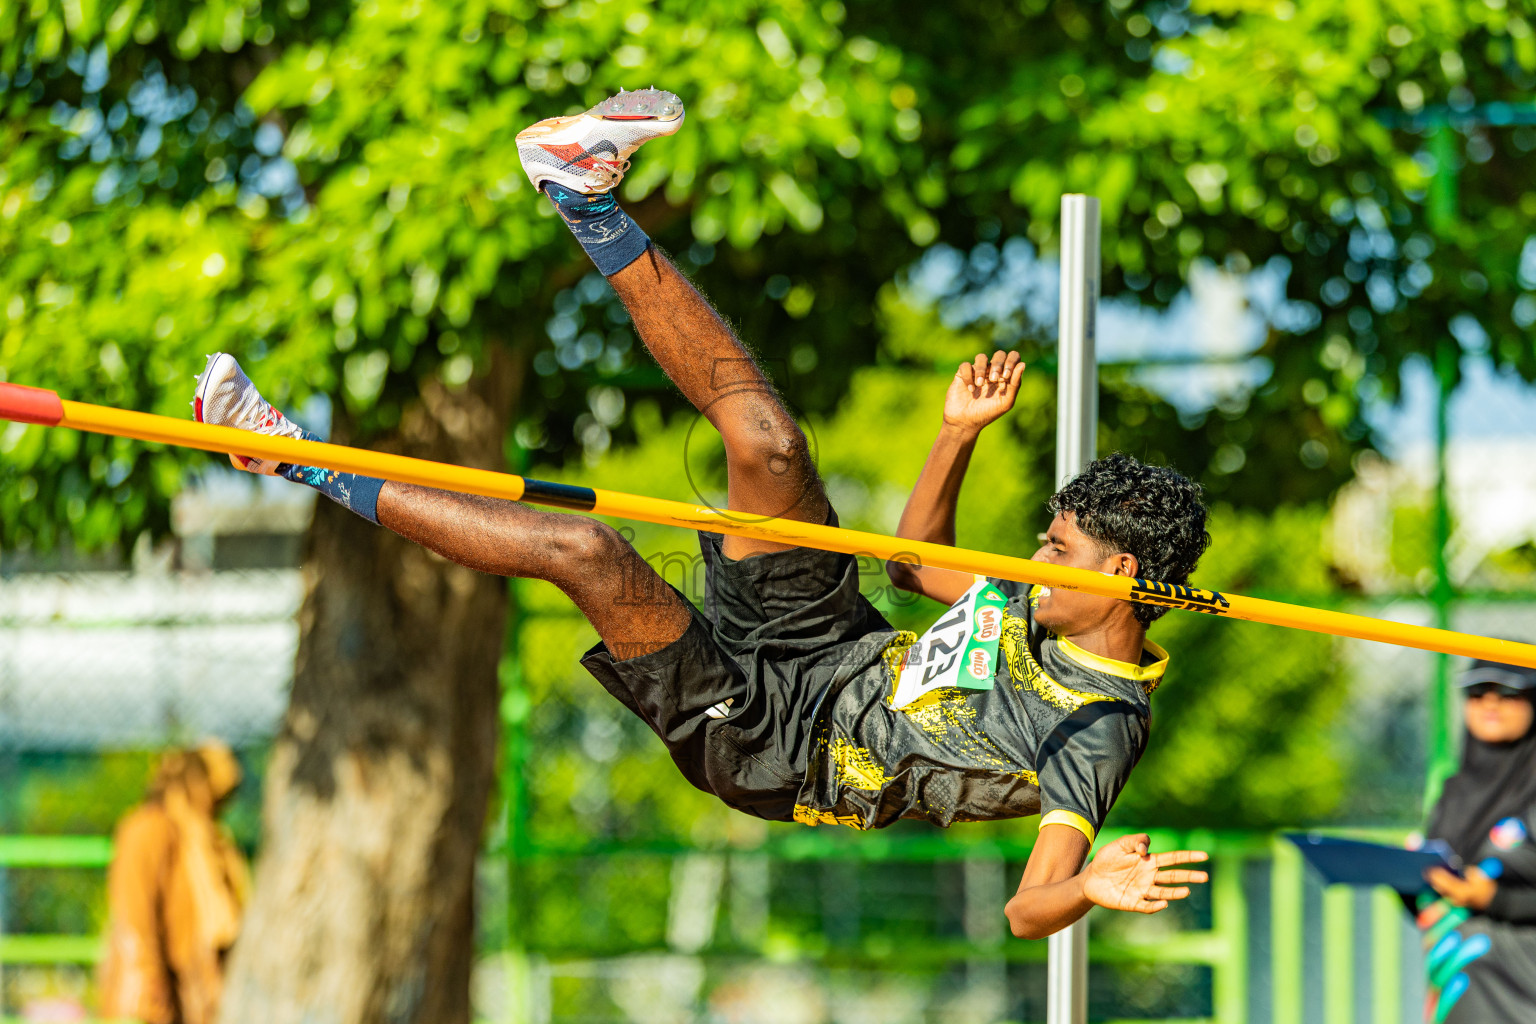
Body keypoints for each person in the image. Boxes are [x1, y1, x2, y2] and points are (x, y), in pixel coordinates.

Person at [190, 87, 1211, 939]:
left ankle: (286, 454)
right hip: (827, 639)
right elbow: (908, 567)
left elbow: (1029, 907)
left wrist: (1088, 887)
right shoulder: (1035, 603)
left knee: (585, 547)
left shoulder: (1100, 726)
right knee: (769, 443)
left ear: (1116, 576)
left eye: (1055, 545)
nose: (1034, 558)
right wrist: (954, 434)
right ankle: (581, 191)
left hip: (775, 746)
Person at [1416, 657, 1536, 1023]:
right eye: (1477, 691)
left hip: (1522, 988)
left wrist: (1496, 900)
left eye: (1508, 692)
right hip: (1460, 985)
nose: (1490, 703)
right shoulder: (1454, 792)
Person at [98, 741, 250, 1024]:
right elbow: (135, 915)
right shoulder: (147, 830)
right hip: (154, 995)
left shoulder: (211, 842)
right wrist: (152, 986)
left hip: (193, 994)